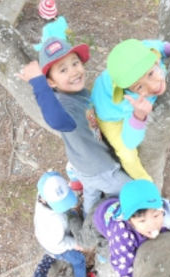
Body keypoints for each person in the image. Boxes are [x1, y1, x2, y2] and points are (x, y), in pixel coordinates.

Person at [17, 37, 131, 215]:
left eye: (75, 63)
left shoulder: (78, 93)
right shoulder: (65, 105)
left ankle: (86, 218)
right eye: (63, 70)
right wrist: (37, 81)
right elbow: (56, 119)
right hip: (100, 169)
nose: (73, 72)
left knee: (91, 195)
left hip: (83, 165)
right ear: (51, 82)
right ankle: (99, 227)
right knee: (134, 190)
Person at [90, 35, 170, 181]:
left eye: (151, 74)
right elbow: (130, 142)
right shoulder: (127, 102)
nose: (153, 86)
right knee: (127, 155)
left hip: (107, 81)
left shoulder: (144, 52)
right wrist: (138, 116)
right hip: (109, 115)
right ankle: (145, 183)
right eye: (139, 87)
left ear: (155, 59)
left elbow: (155, 46)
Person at [34, 171, 97, 277]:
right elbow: (60, 242)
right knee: (79, 260)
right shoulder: (53, 222)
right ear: (45, 200)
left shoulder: (43, 194)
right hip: (57, 246)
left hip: (48, 236)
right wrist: (75, 244)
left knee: (72, 215)